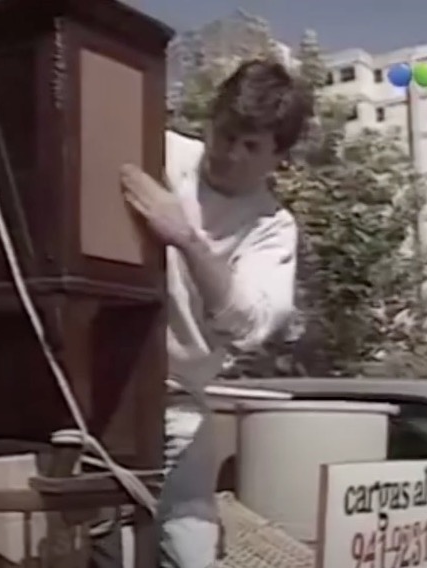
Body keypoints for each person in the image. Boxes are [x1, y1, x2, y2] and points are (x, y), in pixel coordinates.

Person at [110, 58, 314, 568]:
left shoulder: (271, 226)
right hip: (99, 391)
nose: (230, 155)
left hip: (177, 405)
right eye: (225, 135)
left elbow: (250, 326)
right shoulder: (153, 147)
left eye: (252, 147)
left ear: (279, 157)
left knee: (192, 551)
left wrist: (183, 235)